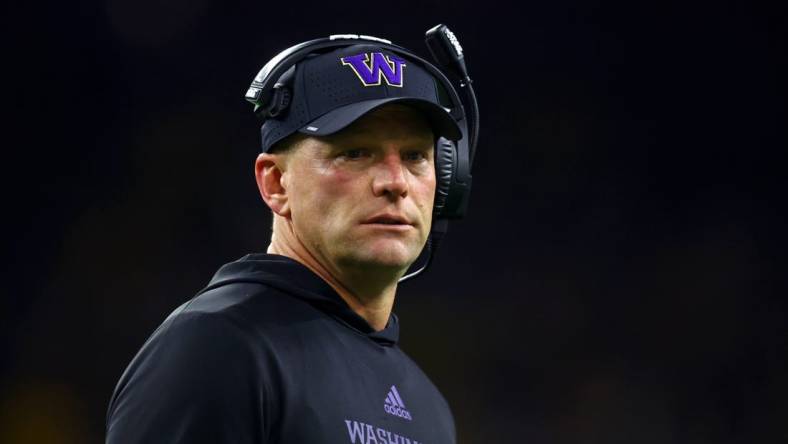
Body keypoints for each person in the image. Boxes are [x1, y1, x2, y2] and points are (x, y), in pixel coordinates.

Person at [106, 31, 475, 444]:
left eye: (415, 157)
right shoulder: (218, 347)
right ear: (277, 183)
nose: (395, 182)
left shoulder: (428, 407)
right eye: (354, 153)